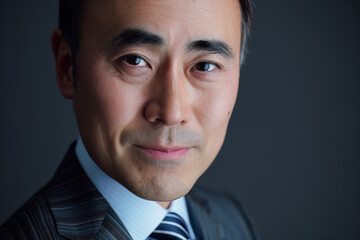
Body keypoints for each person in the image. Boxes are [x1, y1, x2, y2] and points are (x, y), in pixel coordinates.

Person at [0, 0, 257, 239]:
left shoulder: (233, 220)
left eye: (205, 66)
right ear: (67, 66)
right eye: (134, 61)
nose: (172, 113)